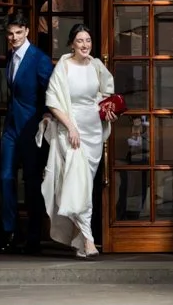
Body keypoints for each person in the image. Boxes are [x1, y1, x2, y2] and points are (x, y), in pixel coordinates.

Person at [37, 22, 115, 257]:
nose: (84, 45)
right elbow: (52, 101)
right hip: (72, 133)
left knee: (85, 185)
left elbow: (105, 95)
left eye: (88, 40)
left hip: (93, 133)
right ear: (72, 43)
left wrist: (108, 110)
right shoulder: (63, 66)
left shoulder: (96, 65)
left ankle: (80, 242)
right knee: (78, 185)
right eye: (80, 41)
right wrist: (71, 127)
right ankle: (89, 241)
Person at [0, 9, 53, 255]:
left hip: (32, 128)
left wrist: (47, 115)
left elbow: (50, 90)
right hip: (11, 127)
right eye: (10, 34)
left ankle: (33, 237)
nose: (14, 38)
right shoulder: (10, 56)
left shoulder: (39, 58)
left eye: (18, 33)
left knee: (31, 182)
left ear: (27, 31)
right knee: (5, 177)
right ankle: (10, 231)